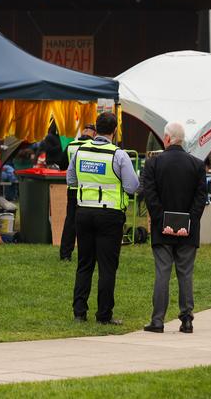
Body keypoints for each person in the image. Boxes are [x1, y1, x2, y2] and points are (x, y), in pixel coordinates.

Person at [67, 112, 139, 325]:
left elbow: (70, 179)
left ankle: (79, 312)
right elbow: (132, 186)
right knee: (107, 267)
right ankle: (104, 315)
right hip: (110, 215)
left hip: (84, 212)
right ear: (114, 131)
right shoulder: (119, 155)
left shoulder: (79, 151)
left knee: (84, 264)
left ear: (95, 129)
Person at [142, 121, 207, 334]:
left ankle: (158, 320)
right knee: (185, 274)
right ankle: (187, 319)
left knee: (162, 273)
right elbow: (200, 198)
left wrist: (163, 222)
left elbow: (150, 197)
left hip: (162, 229)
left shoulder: (153, 164)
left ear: (167, 138)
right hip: (188, 230)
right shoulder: (197, 165)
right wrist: (188, 222)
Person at [58, 124, 97, 261]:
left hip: (73, 189)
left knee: (70, 221)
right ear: (94, 133)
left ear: (83, 132)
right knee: (88, 222)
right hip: (88, 189)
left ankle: (65, 254)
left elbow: (61, 164)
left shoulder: (71, 145)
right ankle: (86, 254)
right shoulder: (93, 146)